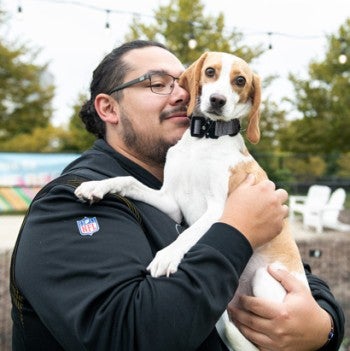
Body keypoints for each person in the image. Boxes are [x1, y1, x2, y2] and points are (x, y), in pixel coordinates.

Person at [10, 40, 344, 351]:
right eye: (158, 83)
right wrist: (237, 229)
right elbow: (127, 334)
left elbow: (291, 267)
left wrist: (324, 327)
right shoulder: (69, 204)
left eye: (184, 80)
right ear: (109, 109)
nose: (185, 93)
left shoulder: (193, 170)